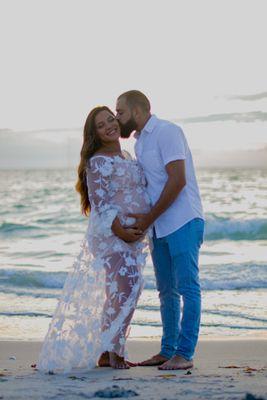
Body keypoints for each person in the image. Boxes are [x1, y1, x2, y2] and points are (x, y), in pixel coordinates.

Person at [37, 106, 151, 373]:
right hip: (111, 235)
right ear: (94, 134)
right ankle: (115, 352)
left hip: (131, 236)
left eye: (111, 119)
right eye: (101, 125)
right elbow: (100, 203)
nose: (110, 125)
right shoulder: (98, 160)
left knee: (122, 292)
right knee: (126, 289)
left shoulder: (126, 154)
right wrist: (121, 231)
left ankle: (106, 351)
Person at [116, 90, 204, 370]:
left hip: (183, 220)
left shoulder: (168, 131)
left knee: (188, 287)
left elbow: (177, 181)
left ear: (137, 111)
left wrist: (147, 218)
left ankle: (185, 353)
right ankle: (167, 351)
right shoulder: (140, 143)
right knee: (166, 292)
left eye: (120, 112)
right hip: (158, 227)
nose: (117, 118)